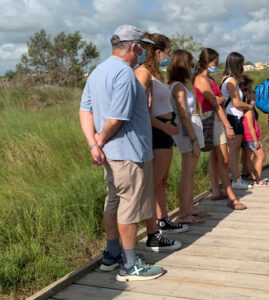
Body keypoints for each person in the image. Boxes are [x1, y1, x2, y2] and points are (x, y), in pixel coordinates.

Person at [79, 24, 167, 282]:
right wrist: (101, 138)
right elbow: (117, 117)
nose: (142, 52)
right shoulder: (125, 74)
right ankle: (129, 264)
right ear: (134, 47)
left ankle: (112, 255)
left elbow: (85, 109)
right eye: (141, 47)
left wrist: (93, 144)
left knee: (114, 201)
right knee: (129, 206)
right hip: (129, 152)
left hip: (109, 153)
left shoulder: (97, 71)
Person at [134, 33, 189, 236]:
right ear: (158, 52)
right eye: (167, 52)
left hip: (165, 129)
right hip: (158, 130)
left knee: (162, 180)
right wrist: (166, 127)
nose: (168, 56)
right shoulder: (143, 73)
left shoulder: (154, 73)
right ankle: (154, 229)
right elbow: (142, 109)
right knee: (154, 181)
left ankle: (163, 218)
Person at [193, 48, 242, 207]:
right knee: (223, 158)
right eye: (215, 62)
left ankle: (216, 190)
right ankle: (231, 196)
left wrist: (219, 99)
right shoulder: (201, 79)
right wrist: (228, 125)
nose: (217, 65)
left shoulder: (211, 79)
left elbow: (217, 100)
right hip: (214, 118)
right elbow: (215, 103)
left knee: (216, 158)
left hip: (215, 116)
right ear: (207, 62)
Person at [168, 49, 208, 223]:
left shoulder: (180, 86)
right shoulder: (177, 87)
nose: (193, 68)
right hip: (187, 133)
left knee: (190, 174)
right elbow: (183, 114)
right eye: (190, 64)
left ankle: (190, 206)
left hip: (191, 130)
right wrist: (193, 139)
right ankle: (184, 213)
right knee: (187, 174)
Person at [222, 52, 254, 194]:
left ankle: (234, 177)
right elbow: (236, 102)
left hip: (231, 117)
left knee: (232, 151)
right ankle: (236, 179)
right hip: (233, 118)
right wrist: (249, 106)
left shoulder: (224, 79)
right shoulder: (232, 81)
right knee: (233, 152)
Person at [240, 74, 269, 186]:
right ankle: (257, 178)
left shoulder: (244, 111)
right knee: (261, 156)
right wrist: (256, 140)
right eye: (253, 99)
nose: (254, 101)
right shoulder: (248, 111)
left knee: (250, 158)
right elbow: (251, 127)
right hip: (251, 137)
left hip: (246, 137)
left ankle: (253, 178)